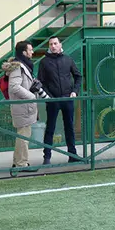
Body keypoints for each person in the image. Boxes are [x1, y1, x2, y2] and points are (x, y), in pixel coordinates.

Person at [2, 41, 47, 173]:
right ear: (24, 52)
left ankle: (18, 162)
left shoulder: (23, 66)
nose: (32, 52)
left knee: (23, 135)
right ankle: (22, 163)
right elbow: (14, 87)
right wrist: (31, 96)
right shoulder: (18, 67)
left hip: (24, 107)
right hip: (23, 107)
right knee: (23, 136)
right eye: (30, 50)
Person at [38, 37, 83, 165]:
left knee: (69, 127)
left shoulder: (68, 59)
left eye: (55, 43)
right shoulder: (44, 62)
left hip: (68, 99)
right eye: (51, 44)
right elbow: (41, 82)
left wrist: (75, 91)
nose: (53, 46)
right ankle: (47, 157)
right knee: (50, 128)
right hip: (53, 100)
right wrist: (49, 97)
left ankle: (72, 154)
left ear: (60, 45)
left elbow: (78, 76)